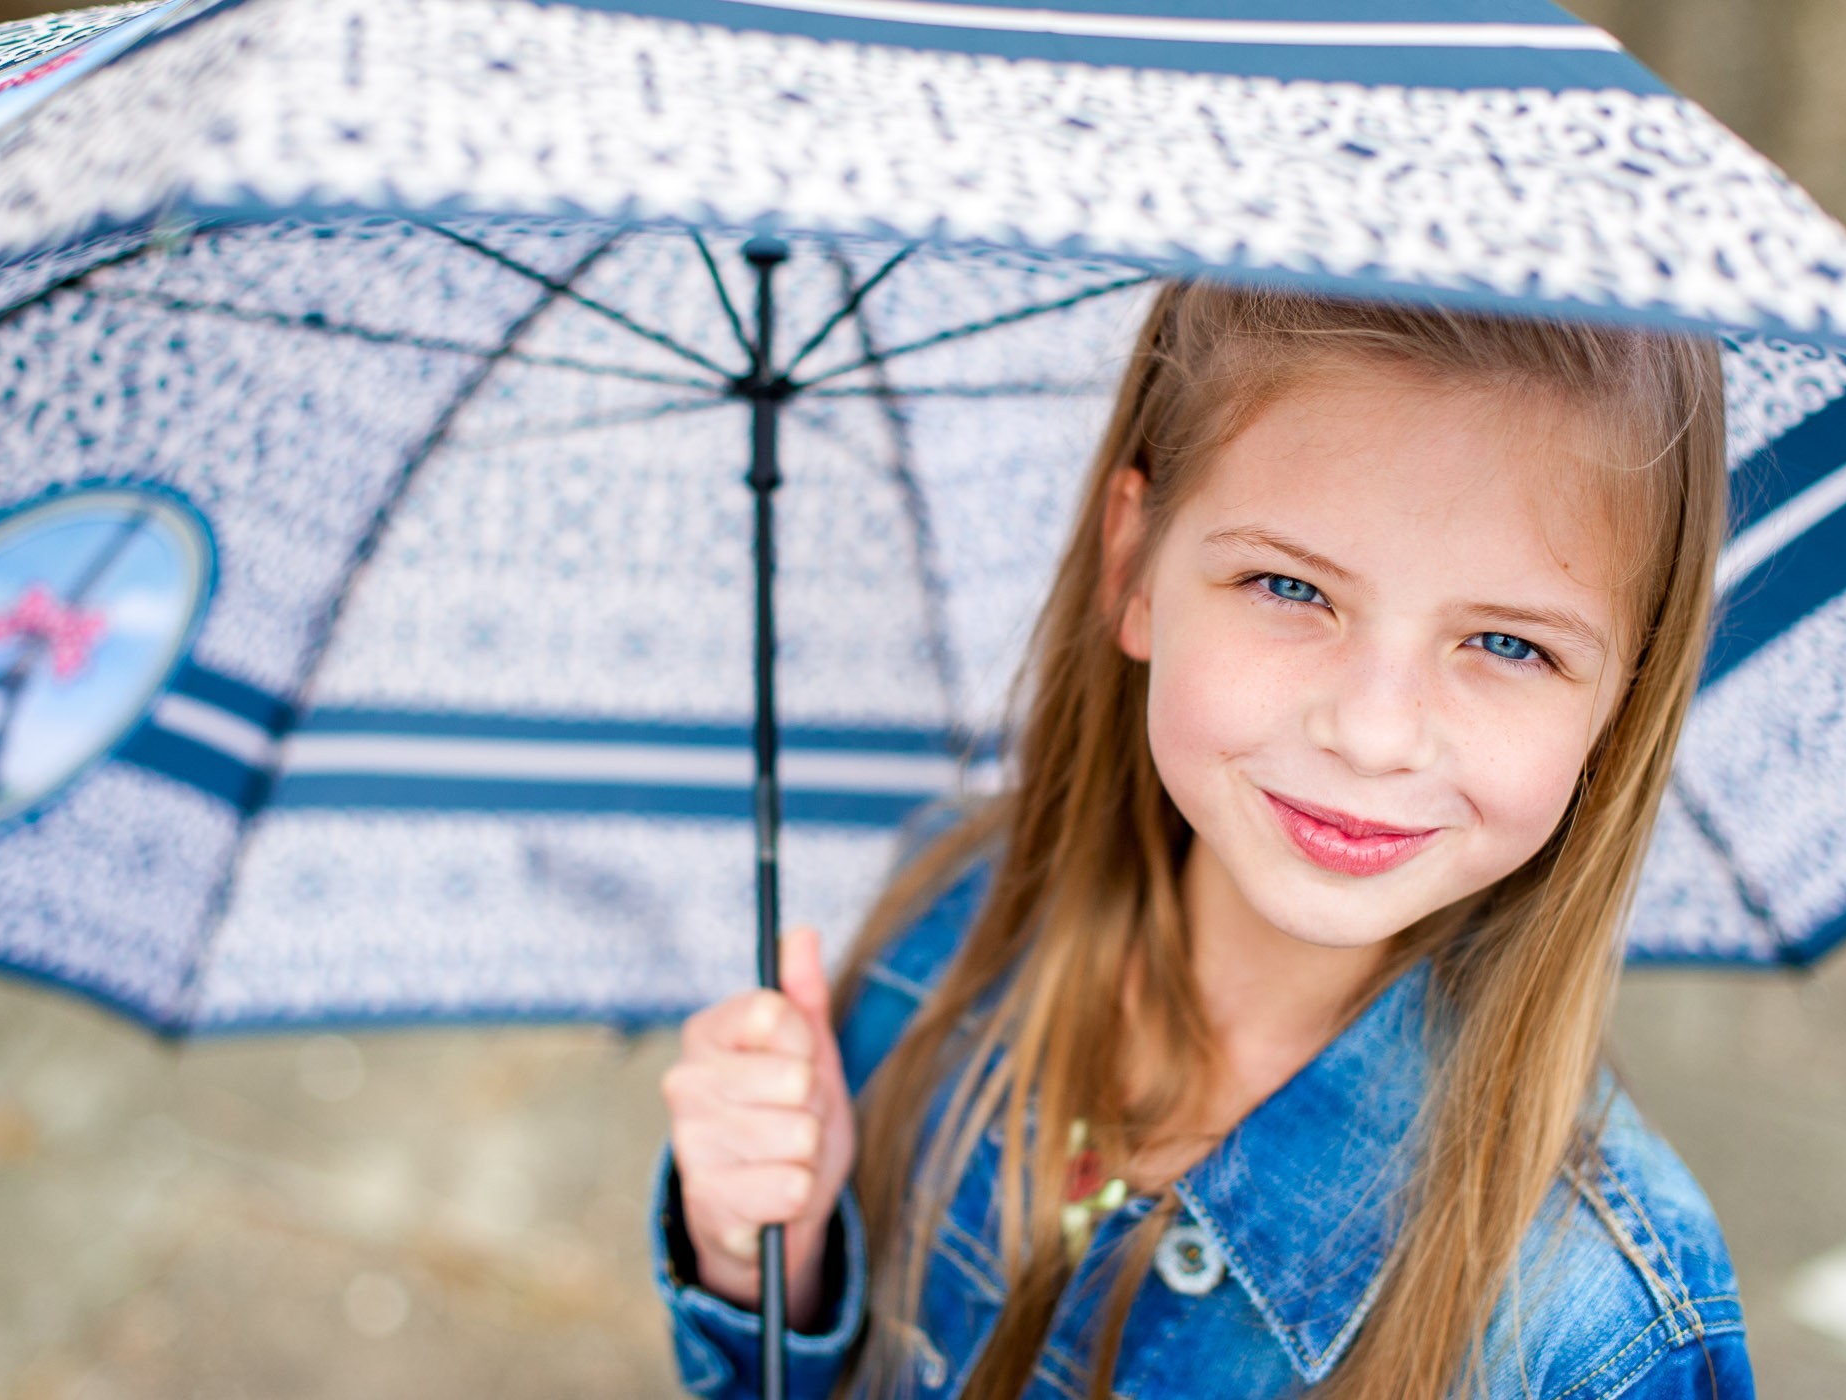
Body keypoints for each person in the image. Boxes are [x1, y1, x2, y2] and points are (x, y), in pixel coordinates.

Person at [650, 281, 1753, 1399]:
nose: (1372, 734)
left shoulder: (1599, 1334)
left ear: (1624, 693)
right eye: (1289, 585)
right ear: (1131, 561)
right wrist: (764, 1270)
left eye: (1510, 645)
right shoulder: (945, 929)